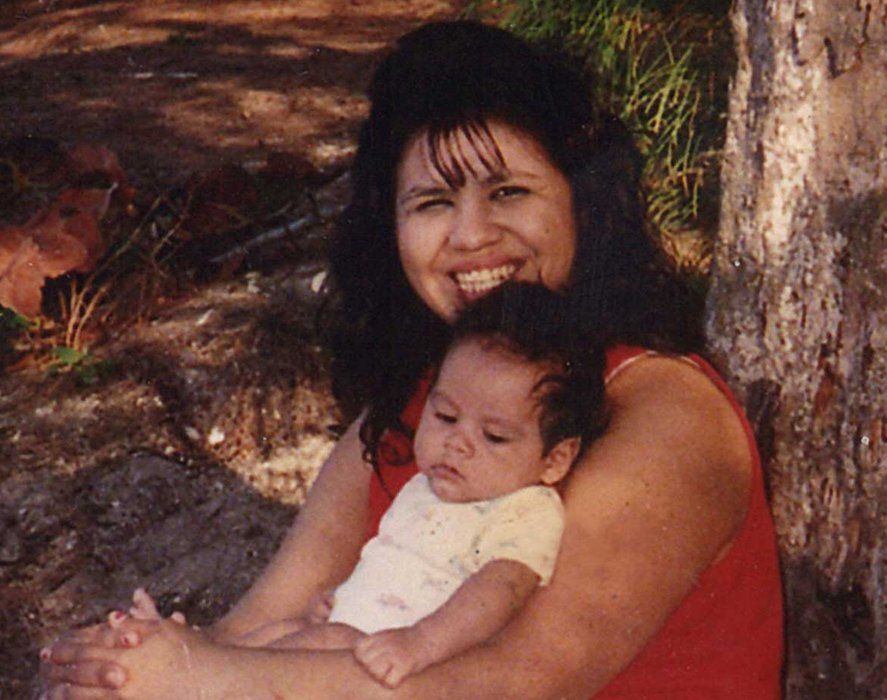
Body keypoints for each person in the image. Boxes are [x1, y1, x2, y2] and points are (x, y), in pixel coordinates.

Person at [40, 20, 783, 699]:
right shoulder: (416, 408)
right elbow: (252, 630)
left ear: (583, 204)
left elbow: (524, 678)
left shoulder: (662, 410)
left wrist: (201, 676)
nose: (470, 236)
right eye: (432, 203)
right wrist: (130, 663)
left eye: (509, 191)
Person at [219, 285, 607, 689]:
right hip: (352, 633)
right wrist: (340, 598)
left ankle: (199, 679)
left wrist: (420, 643)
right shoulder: (427, 486)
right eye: (445, 416)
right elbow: (393, 565)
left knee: (283, 659)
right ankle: (193, 662)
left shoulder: (525, 509)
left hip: (397, 664)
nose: (458, 443)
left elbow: (501, 591)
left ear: (555, 459)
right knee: (272, 636)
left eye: (493, 436)